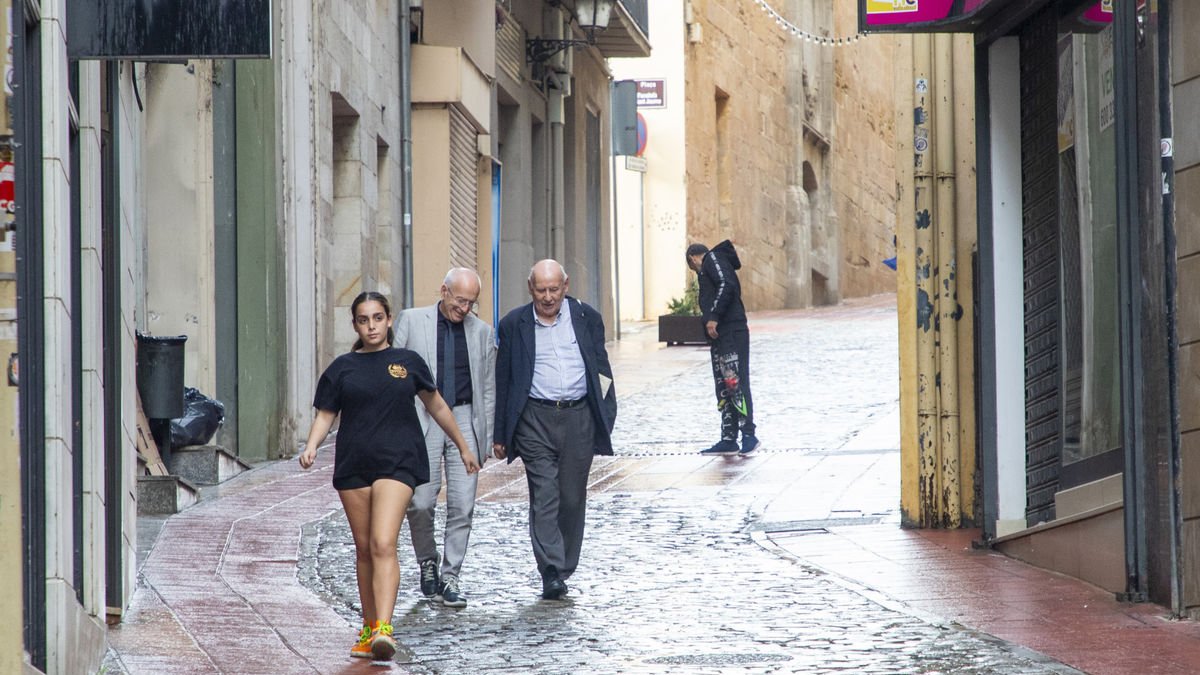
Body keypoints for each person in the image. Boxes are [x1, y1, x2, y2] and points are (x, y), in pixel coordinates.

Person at [298, 291, 480, 661]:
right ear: (355, 325)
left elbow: (438, 405)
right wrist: (312, 445)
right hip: (354, 464)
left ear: (389, 319)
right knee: (364, 549)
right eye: (363, 320)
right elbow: (326, 414)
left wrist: (462, 446)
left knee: (383, 542)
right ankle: (368, 629)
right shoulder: (342, 368)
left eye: (377, 318)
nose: (371, 326)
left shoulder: (407, 362)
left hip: (399, 462)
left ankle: (384, 627)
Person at [492, 260, 617, 600]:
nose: (547, 297)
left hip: (579, 418)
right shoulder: (513, 324)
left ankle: (564, 566)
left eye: (554, 289)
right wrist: (500, 433)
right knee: (544, 493)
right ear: (530, 288)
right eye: (541, 290)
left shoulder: (587, 317)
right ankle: (550, 570)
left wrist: (606, 414)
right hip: (534, 418)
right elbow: (504, 379)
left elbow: (601, 369)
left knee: (572, 497)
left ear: (566, 286)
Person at [393, 268, 495, 608]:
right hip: (423, 415)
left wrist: (486, 437)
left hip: (464, 416)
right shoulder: (411, 320)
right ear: (443, 291)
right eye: (460, 300)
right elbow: (393, 374)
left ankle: (451, 577)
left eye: (471, 303)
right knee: (420, 500)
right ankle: (427, 561)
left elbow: (489, 388)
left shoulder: (482, 332)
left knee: (463, 504)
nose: (464, 309)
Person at [687, 241, 760, 457]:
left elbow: (727, 284)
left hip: (731, 332)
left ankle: (748, 434)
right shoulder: (713, 263)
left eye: (693, 269)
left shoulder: (713, 259)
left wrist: (714, 317)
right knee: (724, 384)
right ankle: (729, 437)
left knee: (735, 381)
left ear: (692, 259)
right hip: (721, 336)